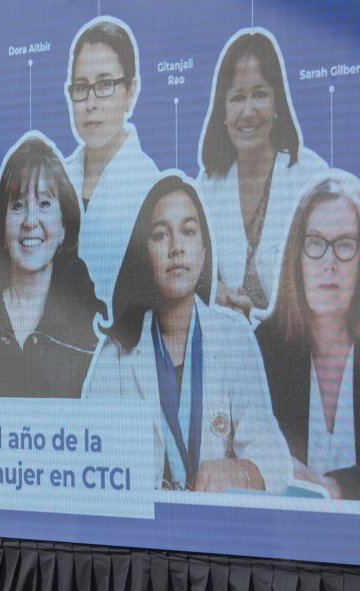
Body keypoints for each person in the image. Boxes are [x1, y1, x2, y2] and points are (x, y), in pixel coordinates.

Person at [84, 175, 291, 492]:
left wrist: (240, 471)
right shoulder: (115, 355)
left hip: (219, 534)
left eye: (189, 232)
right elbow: (92, 465)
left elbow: (274, 458)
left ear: (205, 252)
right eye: (160, 235)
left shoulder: (235, 337)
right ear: (145, 254)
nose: (177, 248)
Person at [0, 136, 102, 397]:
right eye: (17, 205)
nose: (30, 220)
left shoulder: (87, 320)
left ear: (64, 227)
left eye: (45, 204)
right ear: (3, 226)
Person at [197, 29, 328, 318]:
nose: (248, 111)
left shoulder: (311, 178)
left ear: (277, 103)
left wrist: (257, 316)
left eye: (259, 94)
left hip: (299, 352)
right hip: (232, 353)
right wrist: (213, 290)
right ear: (223, 110)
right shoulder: (207, 186)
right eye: (237, 98)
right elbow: (192, 275)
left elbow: (332, 282)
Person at [256, 171, 360, 499]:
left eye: (345, 244)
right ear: (296, 256)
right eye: (315, 243)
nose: (329, 262)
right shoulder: (264, 347)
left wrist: (334, 488)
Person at [63, 18, 160, 306]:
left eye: (105, 84)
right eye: (81, 87)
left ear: (131, 91)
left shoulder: (151, 186)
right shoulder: (56, 179)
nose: (90, 102)